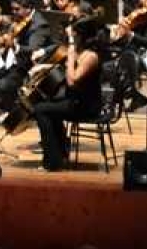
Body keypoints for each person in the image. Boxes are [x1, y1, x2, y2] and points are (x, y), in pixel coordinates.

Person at [33, 14, 105, 172]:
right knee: (45, 107)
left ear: (82, 36)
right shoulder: (82, 52)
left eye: (74, 36)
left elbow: (72, 80)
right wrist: (43, 68)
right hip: (75, 100)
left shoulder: (90, 56)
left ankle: (52, 161)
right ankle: (59, 154)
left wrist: (71, 57)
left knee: (41, 110)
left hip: (86, 105)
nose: (72, 39)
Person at [0, 0, 54, 126]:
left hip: (27, 67)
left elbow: (33, 49)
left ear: (28, 8)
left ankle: (20, 115)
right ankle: (4, 113)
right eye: (12, 9)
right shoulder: (19, 19)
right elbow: (10, 26)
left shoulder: (39, 25)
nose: (14, 12)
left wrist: (16, 47)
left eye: (17, 9)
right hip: (10, 62)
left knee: (4, 85)